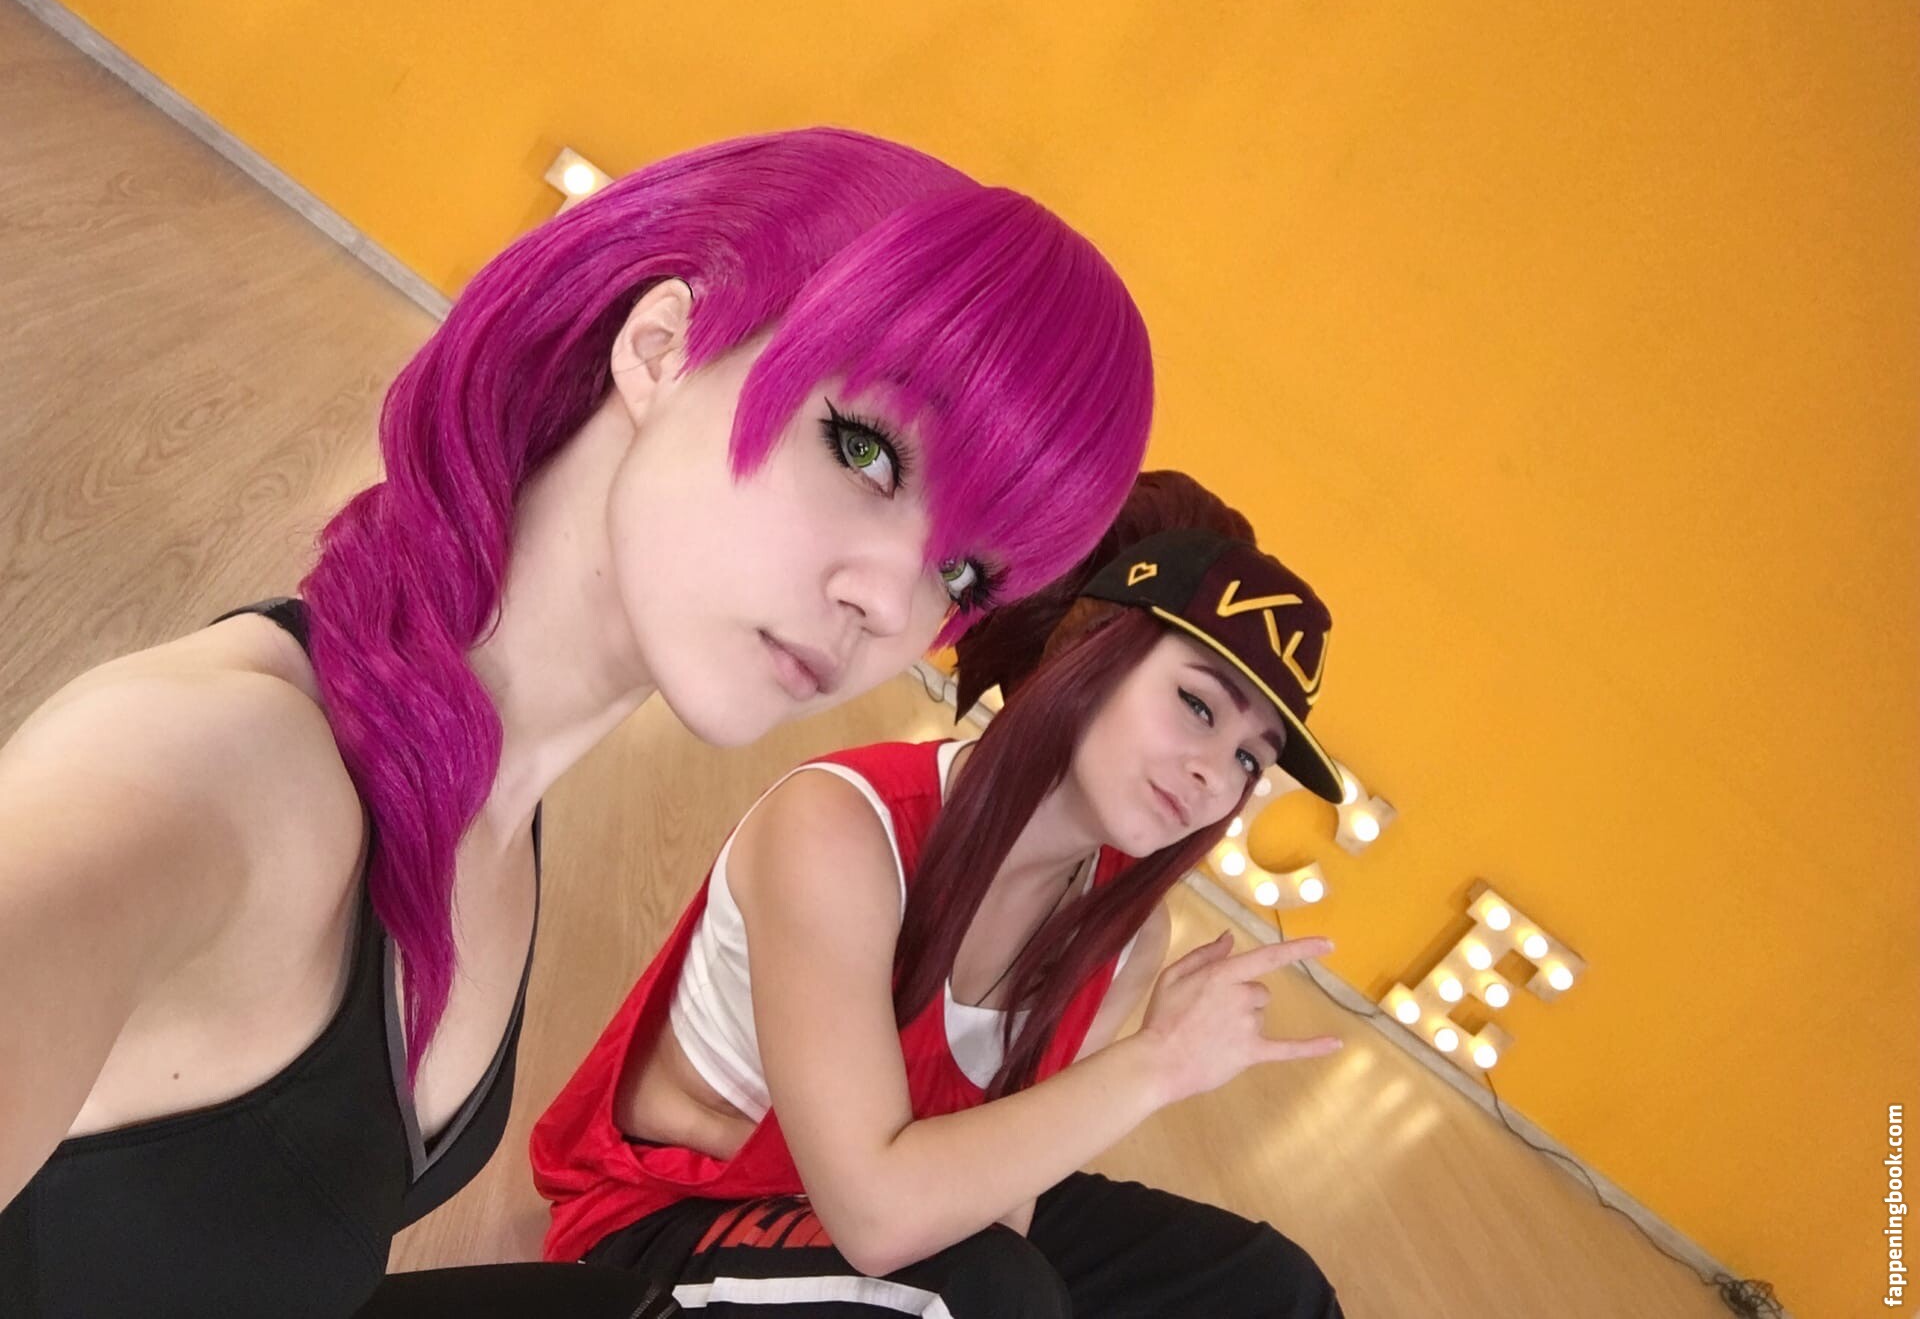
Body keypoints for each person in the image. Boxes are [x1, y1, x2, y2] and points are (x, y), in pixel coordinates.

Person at [0, 128, 1153, 1318]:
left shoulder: (497, 801)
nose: (892, 604)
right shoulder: (214, 772)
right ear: (661, 346)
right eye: (866, 451)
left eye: (962, 573)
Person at [532, 472, 1349, 1317]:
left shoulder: (1128, 935)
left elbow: (1003, 1205)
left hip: (902, 1197)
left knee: (1271, 1287)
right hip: (669, 1223)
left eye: (1250, 758)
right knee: (988, 1288)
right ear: (1090, 649)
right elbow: (877, 1220)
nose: (1214, 773)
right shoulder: (840, 828)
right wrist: (1160, 1059)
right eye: (1197, 704)